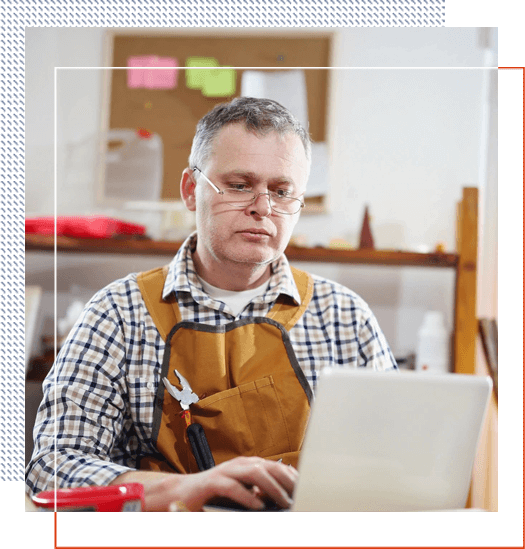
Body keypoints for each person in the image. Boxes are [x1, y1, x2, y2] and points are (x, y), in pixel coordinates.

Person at [26, 97, 397, 512]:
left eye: (281, 191)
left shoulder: (345, 318)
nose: (262, 207)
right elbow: (52, 469)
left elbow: (396, 465)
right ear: (190, 190)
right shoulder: (118, 314)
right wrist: (181, 491)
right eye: (240, 185)